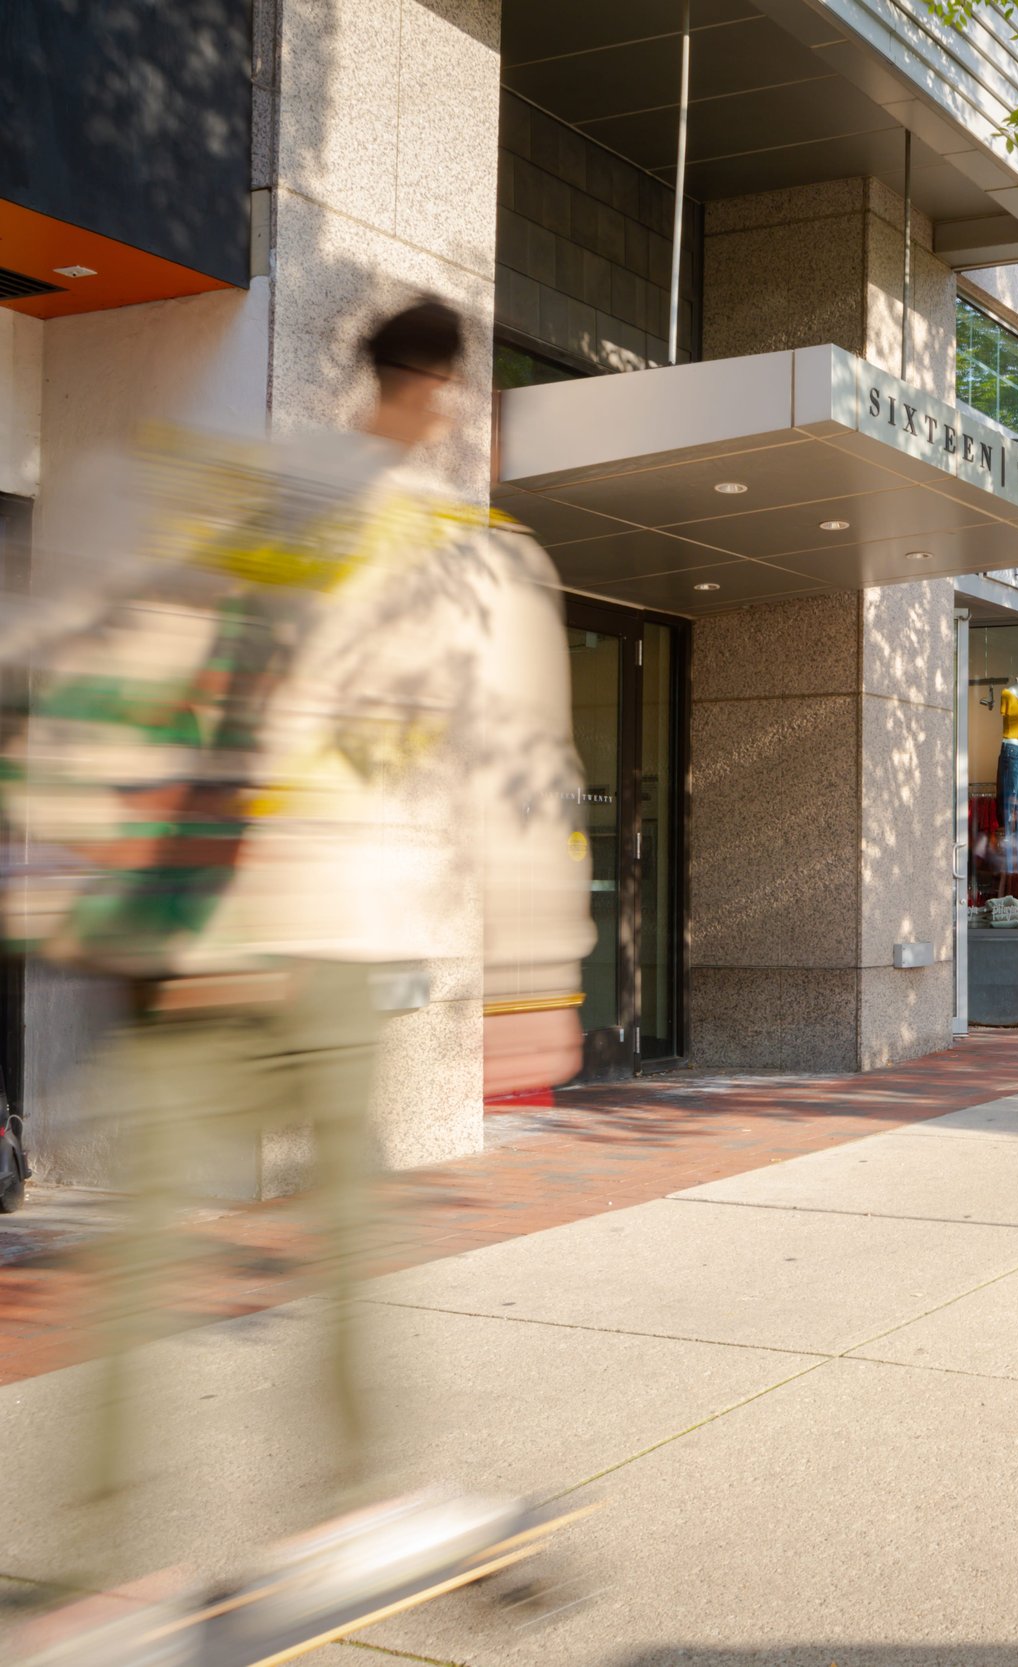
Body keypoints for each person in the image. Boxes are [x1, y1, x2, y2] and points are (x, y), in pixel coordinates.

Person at [6, 297, 594, 1645]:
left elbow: (139, 658)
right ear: (444, 392)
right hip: (291, 936)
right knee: (323, 1237)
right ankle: (331, 1508)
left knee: (170, 1242)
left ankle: (109, 1561)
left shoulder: (273, 494)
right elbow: (486, 762)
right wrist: (525, 973)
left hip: (222, 938)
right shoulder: (421, 541)